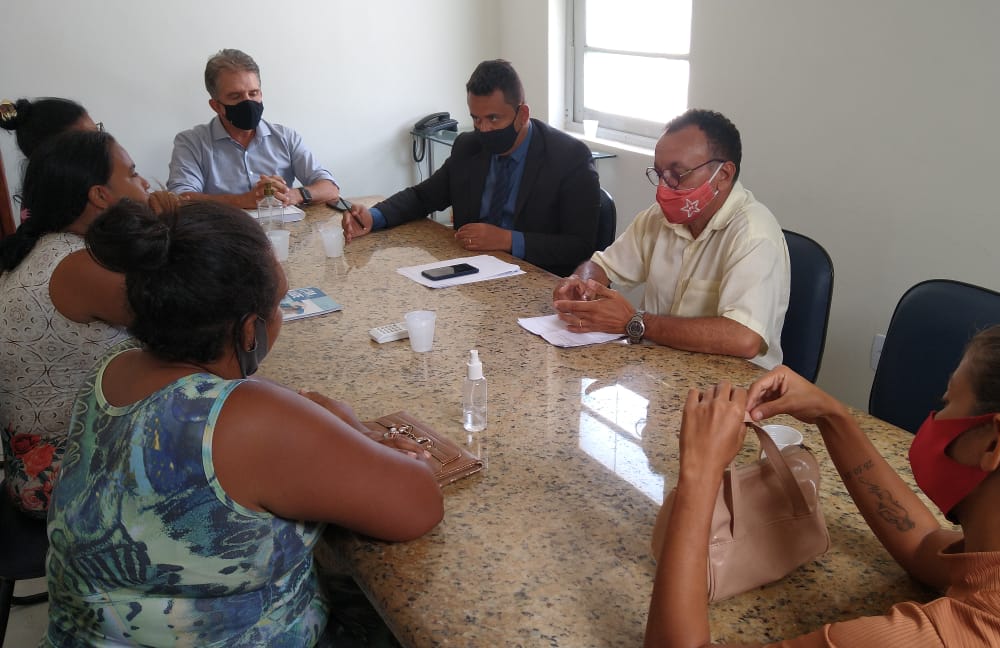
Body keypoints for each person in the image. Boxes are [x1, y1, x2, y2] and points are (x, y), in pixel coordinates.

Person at [41, 199, 444, 646]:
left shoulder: (113, 369)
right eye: (279, 304)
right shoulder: (246, 420)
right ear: (250, 330)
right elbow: (418, 503)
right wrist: (352, 427)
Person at [646, 318, 1000, 647]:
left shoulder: (926, 639)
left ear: (992, 443)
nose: (937, 414)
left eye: (948, 401)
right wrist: (832, 416)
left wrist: (700, 473)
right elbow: (927, 549)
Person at [0, 129, 165, 516]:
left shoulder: (50, 247)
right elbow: (194, 323)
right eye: (133, 173)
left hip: (42, 465)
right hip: (68, 480)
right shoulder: (78, 267)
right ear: (100, 195)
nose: (144, 183)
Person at [552, 109, 789, 365]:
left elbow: (743, 338)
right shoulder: (658, 218)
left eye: (678, 175)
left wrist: (635, 322)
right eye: (660, 174)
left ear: (723, 175)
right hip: (659, 368)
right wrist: (581, 283)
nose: (664, 188)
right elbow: (603, 265)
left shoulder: (754, 235)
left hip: (728, 384)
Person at [341, 59, 601, 277]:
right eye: (476, 119)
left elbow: (580, 246)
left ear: (522, 115)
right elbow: (422, 197)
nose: (484, 129)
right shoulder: (469, 146)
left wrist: (508, 240)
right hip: (471, 272)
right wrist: (373, 217)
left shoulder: (568, 158)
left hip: (537, 281)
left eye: (493, 118)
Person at [167, 48, 339, 209]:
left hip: (281, 227)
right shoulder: (192, 142)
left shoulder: (286, 137)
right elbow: (180, 198)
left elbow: (330, 188)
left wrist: (294, 195)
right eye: (235, 96)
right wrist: (242, 201)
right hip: (223, 229)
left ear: (261, 94)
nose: (247, 102)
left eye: (253, 93)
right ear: (216, 106)